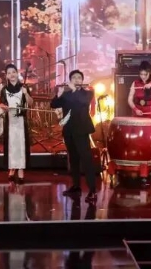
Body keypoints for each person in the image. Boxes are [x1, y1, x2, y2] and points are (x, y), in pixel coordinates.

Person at [51, 69, 97, 204]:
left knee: (86, 160)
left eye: (79, 78)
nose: (77, 80)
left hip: (81, 131)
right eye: (74, 78)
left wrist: (74, 90)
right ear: (70, 80)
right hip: (69, 130)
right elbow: (53, 105)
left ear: (82, 81)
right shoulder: (66, 94)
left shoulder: (87, 93)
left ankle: (92, 190)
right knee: (74, 159)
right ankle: (76, 186)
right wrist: (58, 95)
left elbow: (83, 102)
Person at [0, 64, 33, 184]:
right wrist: (4, 107)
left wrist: (26, 94)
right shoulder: (4, 90)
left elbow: (31, 103)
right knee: (11, 144)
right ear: (6, 76)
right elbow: (2, 106)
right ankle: (12, 167)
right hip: (10, 121)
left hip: (21, 121)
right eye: (9, 73)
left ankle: (21, 168)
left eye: (13, 72)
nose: (12, 75)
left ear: (17, 73)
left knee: (21, 144)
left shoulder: (24, 87)